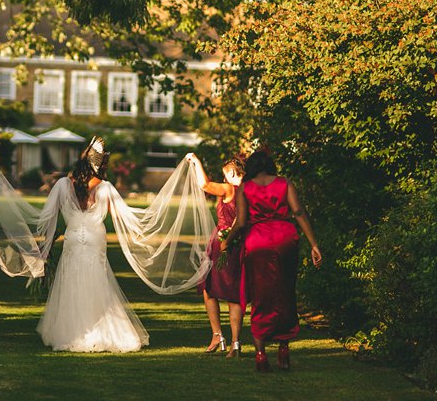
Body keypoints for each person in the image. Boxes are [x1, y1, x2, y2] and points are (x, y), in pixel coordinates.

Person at [33, 136, 214, 352]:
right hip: (95, 238)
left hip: (73, 238)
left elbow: (48, 217)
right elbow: (126, 215)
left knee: (72, 281)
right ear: (99, 165)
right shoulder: (105, 187)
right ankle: (100, 330)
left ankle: (72, 332)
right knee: (97, 282)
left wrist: (48, 245)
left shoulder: (64, 184)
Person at [222, 148, 323, 372]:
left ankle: (260, 354)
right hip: (286, 240)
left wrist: (227, 242)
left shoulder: (245, 188)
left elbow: (240, 222)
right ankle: (284, 348)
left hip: (257, 242)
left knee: (260, 295)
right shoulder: (285, 184)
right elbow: (298, 212)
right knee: (285, 291)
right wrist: (314, 244)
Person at [186, 153, 246, 358]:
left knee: (209, 289)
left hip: (223, 245)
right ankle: (235, 341)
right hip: (240, 245)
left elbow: (205, 184)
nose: (225, 178)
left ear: (231, 172)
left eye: (225, 174)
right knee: (234, 294)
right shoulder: (250, 191)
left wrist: (196, 161)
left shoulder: (229, 189)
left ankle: (217, 334)